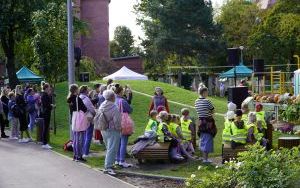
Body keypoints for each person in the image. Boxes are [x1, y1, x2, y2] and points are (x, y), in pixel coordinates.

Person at [99, 89, 122, 175]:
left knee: (109, 147)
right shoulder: (114, 107)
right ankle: (108, 167)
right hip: (113, 129)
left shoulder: (102, 105)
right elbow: (117, 120)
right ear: (112, 97)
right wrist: (119, 128)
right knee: (112, 148)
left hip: (103, 128)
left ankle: (110, 164)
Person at [195, 87, 216, 163]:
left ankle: (205, 158)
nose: (207, 94)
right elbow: (213, 110)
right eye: (207, 92)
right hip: (208, 122)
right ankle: (205, 159)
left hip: (201, 121)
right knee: (208, 139)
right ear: (204, 92)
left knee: (203, 139)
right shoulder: (207, 101)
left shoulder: (196, 101)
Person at [67, 84, 87, 162]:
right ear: (75, 90)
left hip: (74, 118)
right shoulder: (77, 99)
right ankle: (79, 156)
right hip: (79, 119)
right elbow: (84, 109)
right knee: (80, 139)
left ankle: (75, 155)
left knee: (75, 138)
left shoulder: (69, 99)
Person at [114, 84, 133, 168]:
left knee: (117, 142)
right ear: (121, 92)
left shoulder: (113, 100)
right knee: (123, 142)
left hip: (115, 122)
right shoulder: (122, 101)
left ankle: (117, 159)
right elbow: (130, 109)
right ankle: (122, 160)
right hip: (123, 122)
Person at [79, 85, 96, 157]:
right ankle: (86, 152)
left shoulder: (79, 97)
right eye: (87, 89)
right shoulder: (86, 99)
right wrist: (95, 113)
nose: (88, 90)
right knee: (88, 135)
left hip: (81, 118)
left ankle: (82, 151)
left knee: (83, 135)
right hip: (88, 117)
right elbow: (91, 109)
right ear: (85, 90)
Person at [41, 83, 54, 149]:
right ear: (46, 88)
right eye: (49, 87)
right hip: (46, 113)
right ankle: (44, 143)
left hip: (46, 112)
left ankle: (44, 142)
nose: (50, 88)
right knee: (45, 128)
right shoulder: (44, 95)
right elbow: (46, 105)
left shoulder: (46, 95)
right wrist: (51, 106)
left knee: (46, 128)